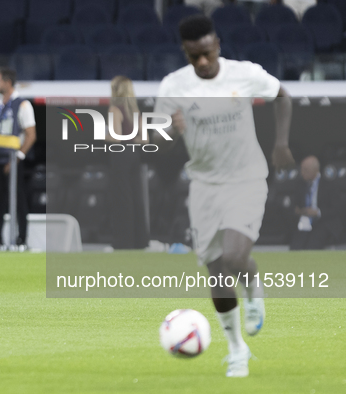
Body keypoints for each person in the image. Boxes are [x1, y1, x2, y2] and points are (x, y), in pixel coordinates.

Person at [154, 15, 294, 377]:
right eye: (193, 56)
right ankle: (236, 351)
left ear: (216, 44)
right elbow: (157, 139)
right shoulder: (174, 86)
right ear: (185, 52)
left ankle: (253, 285)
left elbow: (283, 95)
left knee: (234, 256)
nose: (201, 62)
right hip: (203, 185)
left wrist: (280, 143)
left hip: (246, 178)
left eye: (206, 53)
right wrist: (169, 130)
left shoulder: (243, 73)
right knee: (216, 271)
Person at [0, 68, 37, 251]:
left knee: (19, 199)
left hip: (13, 159)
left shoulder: (22, 105)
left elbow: (31, 134)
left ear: (7, 82)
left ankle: (22, 240)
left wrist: (18, 158)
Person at [107, 76, 149, 249]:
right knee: (136, 197)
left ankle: (123, 241)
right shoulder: (135, 112)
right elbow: (144, 140)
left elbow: (114, 137)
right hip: (135, 155)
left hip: (120, 155)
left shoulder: (115, 110)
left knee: (122, 198)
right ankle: (140, 240)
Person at [290, 156, 343, 250]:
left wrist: (317, 212)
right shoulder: (300, 185)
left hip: (323, 223)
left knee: (313, 243)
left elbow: (337, 209)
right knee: (296, 246)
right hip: (304, 222)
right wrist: (299, 211)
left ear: (315, 170)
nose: (302, 173)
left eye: (305, 170)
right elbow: (294, 204)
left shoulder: (329, 184)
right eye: (301, 169)